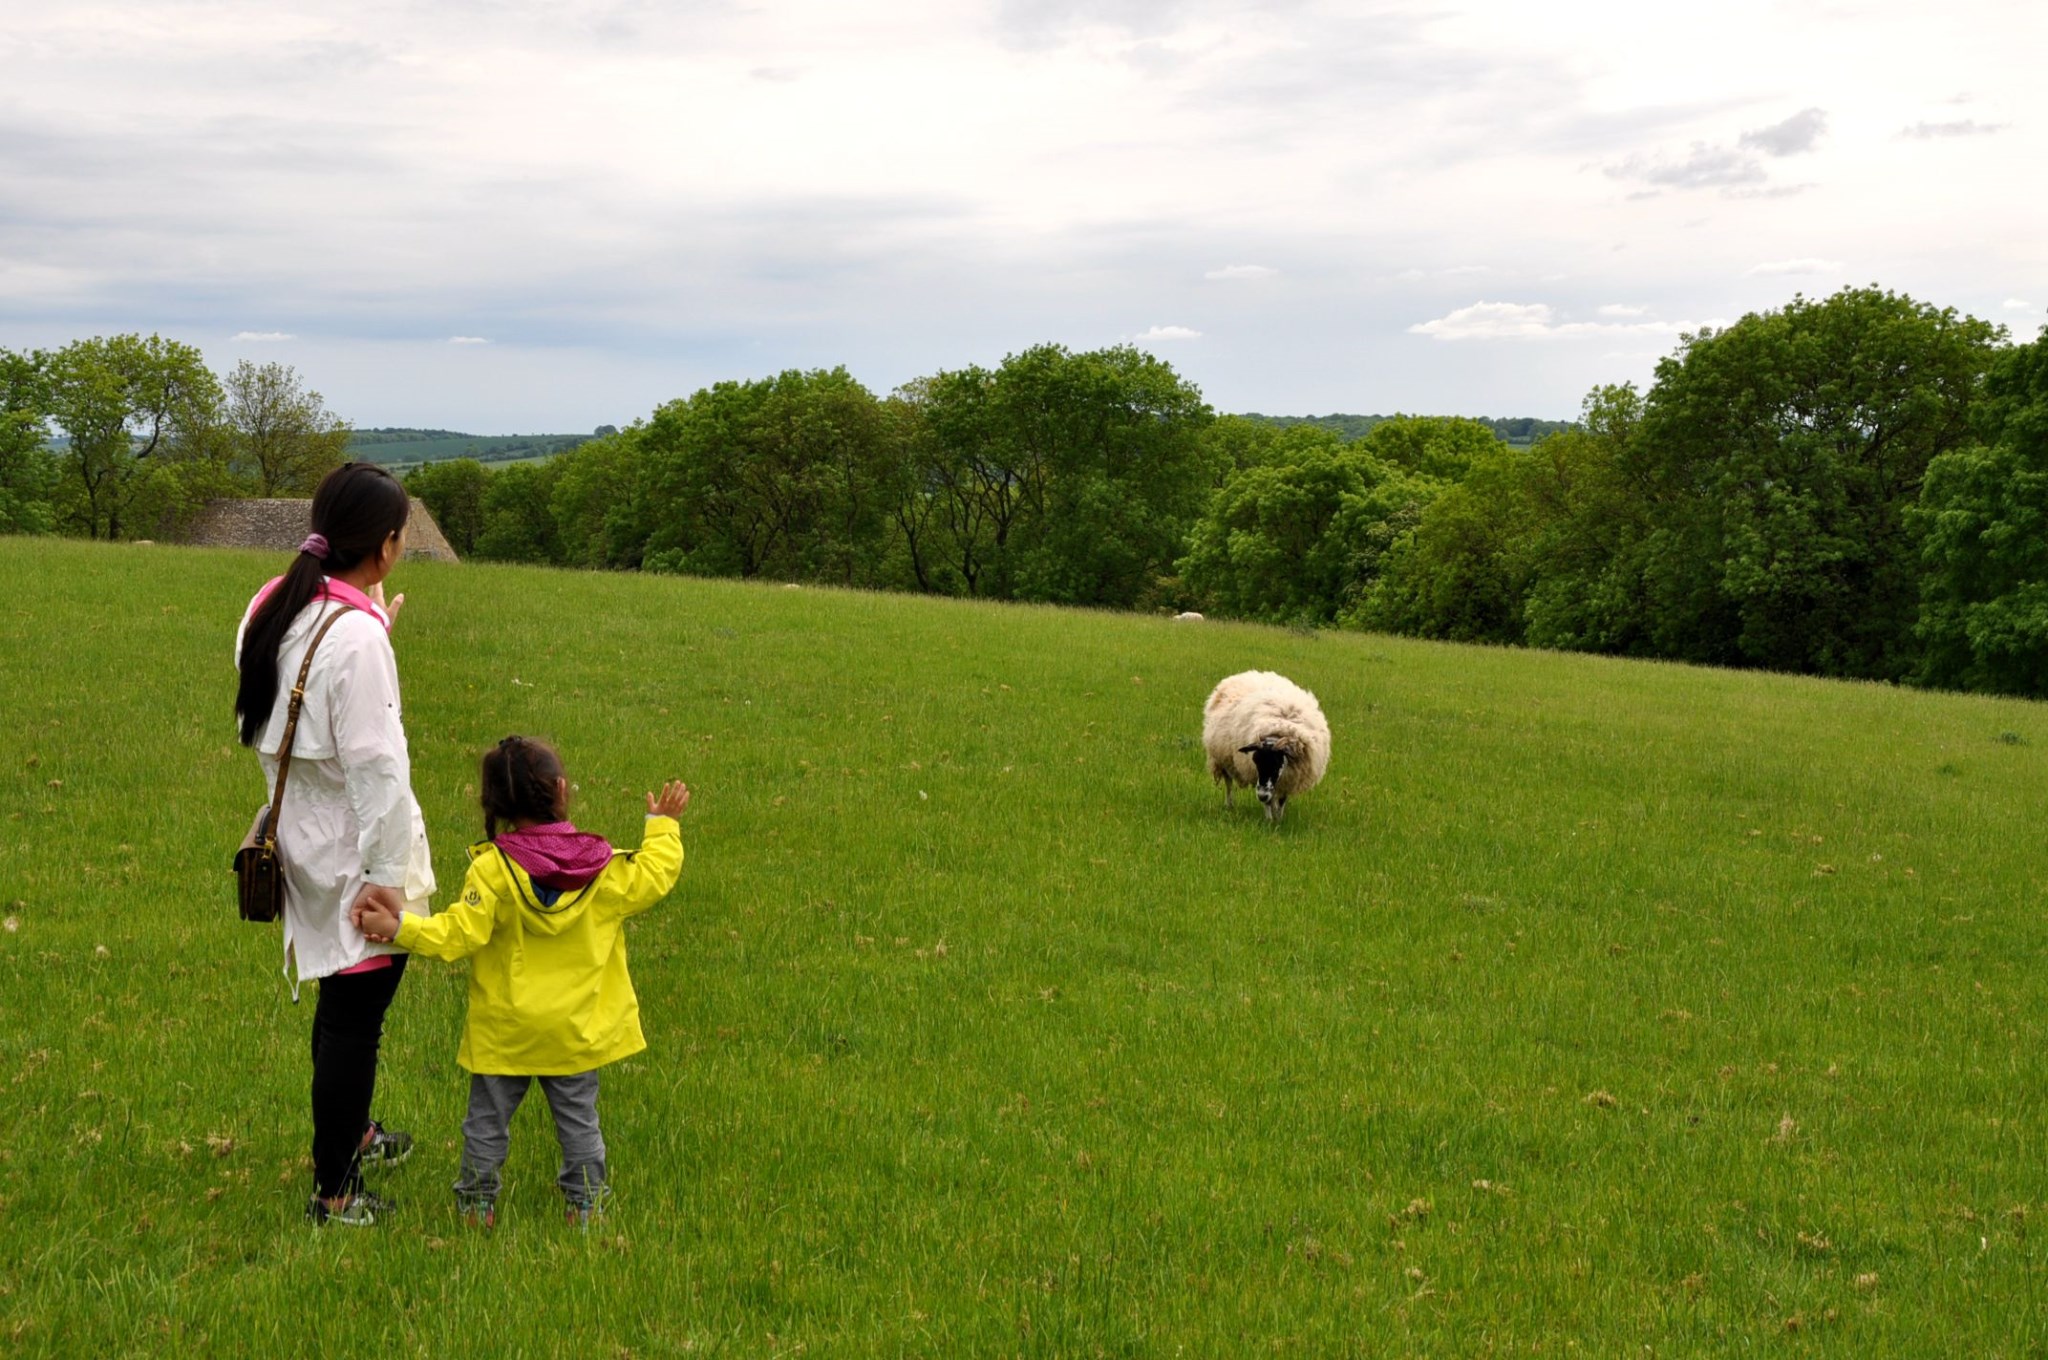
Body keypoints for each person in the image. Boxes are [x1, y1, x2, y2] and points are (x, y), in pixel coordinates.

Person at [355, 736, 688, 1228]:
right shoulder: (602, 868)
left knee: (485, 1126)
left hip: (504, 1030)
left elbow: (456, 935)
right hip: (576, 1032)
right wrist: (662, 826)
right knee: (580, 1125)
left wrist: (400, 927)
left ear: (493, 805)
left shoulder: (491, 870)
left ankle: (475, 1205)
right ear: (561, 789)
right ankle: (586, 1206)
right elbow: (655, 874)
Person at [233, 461, 437, 1228]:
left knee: (339, 999)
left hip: (300, 836)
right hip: (356, 849)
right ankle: (336, 1190)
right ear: (384, 547)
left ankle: (352, 1134)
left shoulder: (273, 605)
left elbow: (287, 712)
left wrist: (374, 625)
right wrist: (387, 877)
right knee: (356, 1015)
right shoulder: (354, 638)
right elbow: (379, 769)